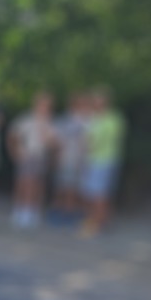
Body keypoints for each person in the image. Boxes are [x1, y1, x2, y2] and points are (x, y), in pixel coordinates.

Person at [80, 87, 126, 236]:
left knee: (99, 193)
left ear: (106, 102)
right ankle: (98, 221)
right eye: (95, 101)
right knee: (95, 193)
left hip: (104, 160)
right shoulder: (94, 118)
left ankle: (97, 224)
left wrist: (89, 146)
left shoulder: (113, 119)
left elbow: (98, 140)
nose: (97, 104)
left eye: (100, 101)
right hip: (93, 160)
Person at [7, 92, 55, 228]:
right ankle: (20, 210)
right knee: (24, 183)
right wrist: (15, 152)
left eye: (47, 106)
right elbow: (12, 134)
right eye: (42, 105)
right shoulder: (26, 119)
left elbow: (54, 143)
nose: (44, 108)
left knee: (38, 184)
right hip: (27, 155)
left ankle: (33, 211)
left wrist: (50, 141)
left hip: (41, 156)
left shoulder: (50, 122)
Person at [51, 92, 90, 220]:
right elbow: (56, 139)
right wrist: (56, 156)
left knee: (75, 190)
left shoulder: (90, 120)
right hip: (65, 158)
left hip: (82, 160)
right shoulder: (64, 119)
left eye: (83, 103)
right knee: (61, 187)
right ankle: (58, 212)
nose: (80, 106)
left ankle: (70, 213)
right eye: (77, 103)